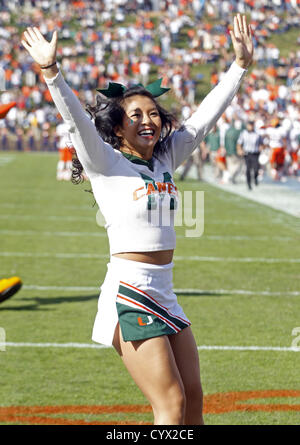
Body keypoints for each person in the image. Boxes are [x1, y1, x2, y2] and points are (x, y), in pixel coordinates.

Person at [21, 14, 253, 425]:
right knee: (171, 404)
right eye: (136, 115)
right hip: (130, 290)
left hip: (165, 290)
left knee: (195, 400)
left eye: (153, 114)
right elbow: (75, 122)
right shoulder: (105, 162)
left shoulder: (164, 158)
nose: (148, 120)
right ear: (118, 126)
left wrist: (239, 66)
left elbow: (203, 120)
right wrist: (51, 72)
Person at [237, 120, 263, 190]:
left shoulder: (257, 134)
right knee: (248, 169)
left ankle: (255, 178)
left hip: (255, 153)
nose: (250, 127)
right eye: (249, 125)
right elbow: (239, 143)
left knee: (256, 168)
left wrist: (261, 148)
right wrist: (240, 150)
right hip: (247, 153)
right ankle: (248, 184)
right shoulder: (243, 133)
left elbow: (261, 143)